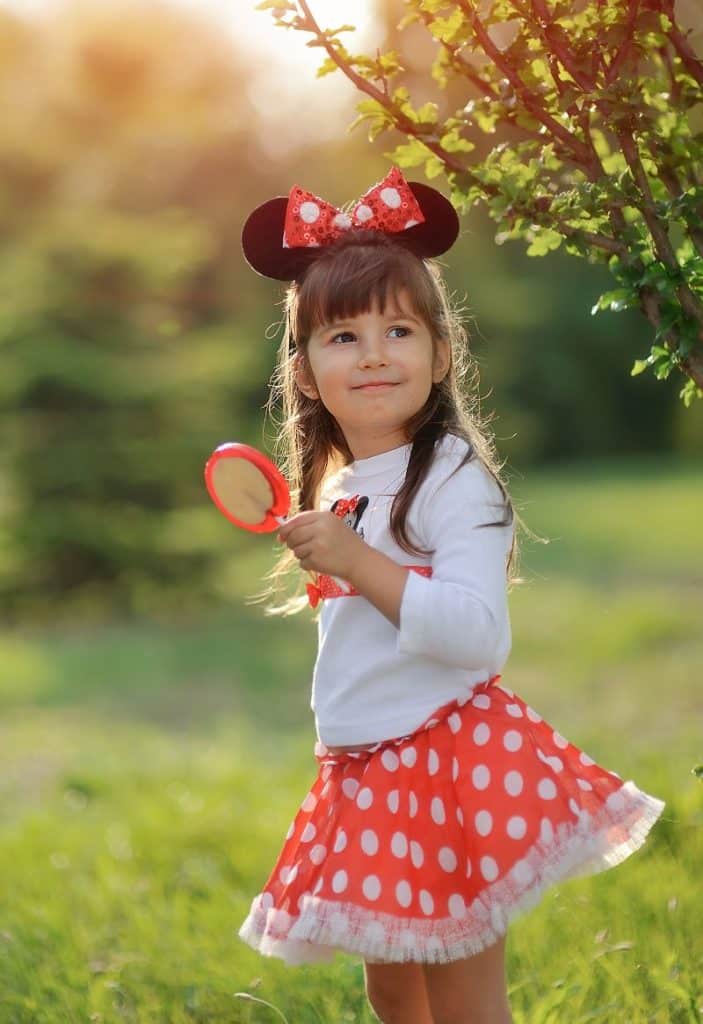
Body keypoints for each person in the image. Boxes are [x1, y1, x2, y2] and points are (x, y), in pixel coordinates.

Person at [237, 167, 665, 1024]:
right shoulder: (344, 483)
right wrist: (343, 554)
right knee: (391, 983)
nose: (373, 353)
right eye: (342, 337)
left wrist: (359, 563)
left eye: (398, 329)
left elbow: (476, 637)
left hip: (442, 766)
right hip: (363, 769)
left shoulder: (453, 481)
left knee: (464, 994)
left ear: (439, 355)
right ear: (307, 374)